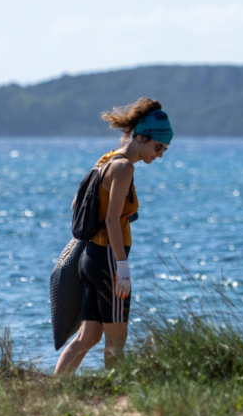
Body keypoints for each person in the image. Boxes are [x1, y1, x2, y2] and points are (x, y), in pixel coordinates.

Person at [53, 98, 172, 376]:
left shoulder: (106, 160)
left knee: (88, 336)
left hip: (91, 258)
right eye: (158, 147)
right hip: (108, 260)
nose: (160, 155)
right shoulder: (125, 167)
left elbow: (76, 204)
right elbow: (111, 220)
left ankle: (56, 387)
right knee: (116, 341)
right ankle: (116, 392)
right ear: (141, 138)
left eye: (164, 150)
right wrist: (122, 267)